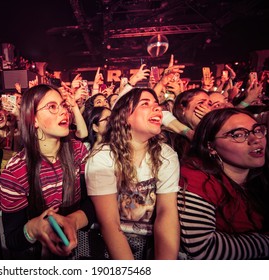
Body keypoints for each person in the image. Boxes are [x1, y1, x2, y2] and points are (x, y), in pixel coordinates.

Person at [0, 84, 95, 259]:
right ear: (33, 119)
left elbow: (94, 203)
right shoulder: (16, 171)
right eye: (52, 107)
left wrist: (72, 221)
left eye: (63, 105)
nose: (64, 111)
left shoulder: (78, 151)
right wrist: (34, 228)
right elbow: (12, 239)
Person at [85, 88, 180, 260]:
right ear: (125, 117)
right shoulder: (103, 158)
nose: (158, 109)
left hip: (152, 243)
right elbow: (110, 224)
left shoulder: (166, 155)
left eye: (157, 105)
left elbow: (167, 213)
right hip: (110, 245)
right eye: (145, 104)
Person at [178, 108, 269, 259]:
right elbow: (203, 248)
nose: (255, 139)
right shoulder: (196, 178)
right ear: (211, 147)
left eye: (257, 130)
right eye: (238, 135)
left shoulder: (261, 175)